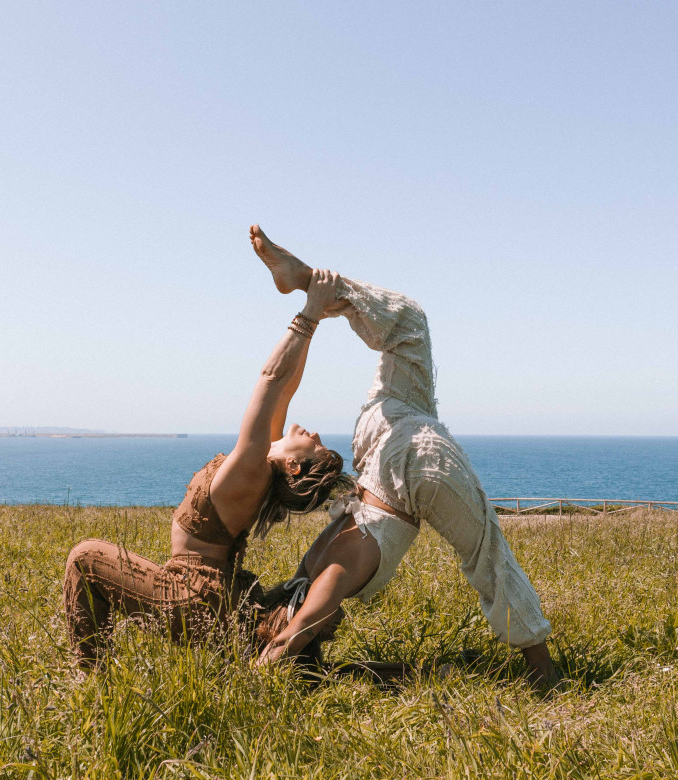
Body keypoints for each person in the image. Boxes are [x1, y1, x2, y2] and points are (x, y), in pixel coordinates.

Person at [249, 226, 557, 686]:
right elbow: (295, 634)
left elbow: (298, 626)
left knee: (410, 324)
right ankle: (545, 675)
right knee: (409, 324)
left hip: (389, 449)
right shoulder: (324, 576)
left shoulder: (308, 573)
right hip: (410, 460)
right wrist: (267, 662)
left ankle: (313, 278)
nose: (298, 430)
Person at [64, 268, 346, 666]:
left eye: (316, 446)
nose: (314, 433)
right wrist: (315, 325)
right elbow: (285, 386)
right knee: (90, 558)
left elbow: (269, 379)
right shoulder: (263, 460)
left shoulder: (253, 468)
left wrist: (310, 313)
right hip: (210, 598)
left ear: (296, 468)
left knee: (85, 557)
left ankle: (90, 677)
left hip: (194, 597)